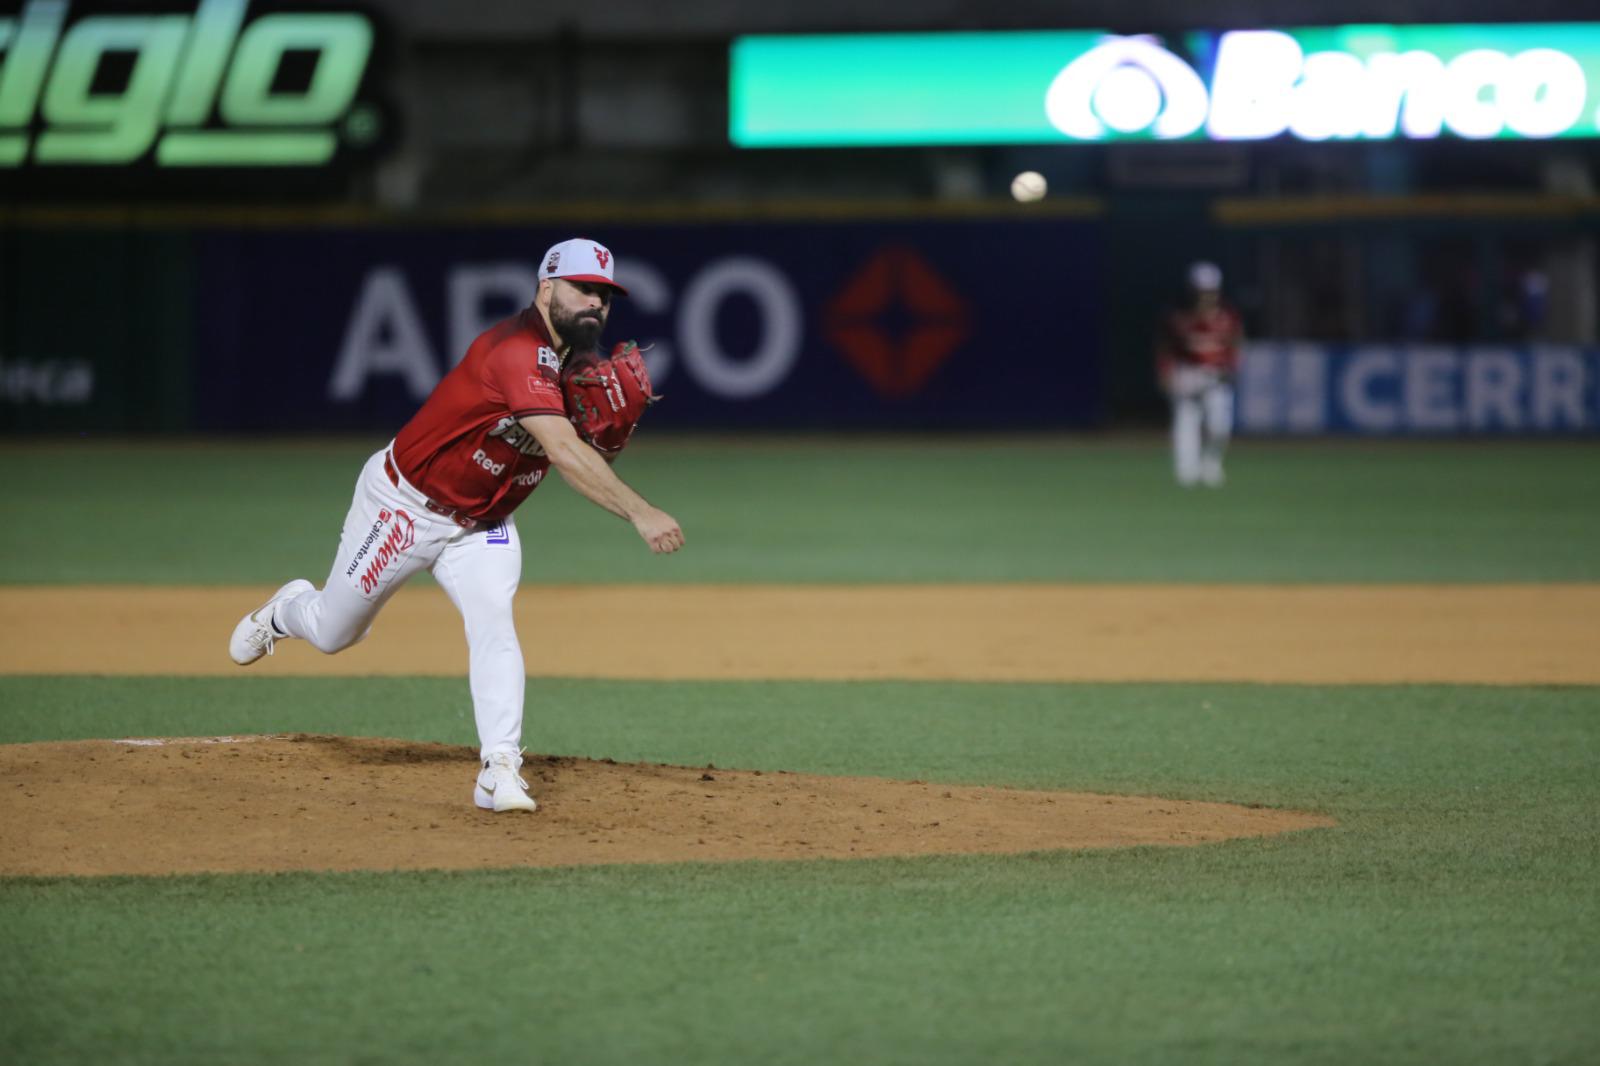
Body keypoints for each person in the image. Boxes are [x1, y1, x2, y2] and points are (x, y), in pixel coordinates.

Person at [227, 238, 684, 813]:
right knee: (333, 632)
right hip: (406, 504)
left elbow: (585, 452)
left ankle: (499, 769)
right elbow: (564, 453)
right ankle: (286, 609)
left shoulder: (583, 366)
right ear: (546, 289)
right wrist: (641, 512)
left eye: (605, 295)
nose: (596, 302)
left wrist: (614, 437)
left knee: (494, 625)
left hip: (484, 522)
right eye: (582, 289)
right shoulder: (517, 350)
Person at [1156, 261, 1243, 488]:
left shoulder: (1227, 316)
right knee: (1185, 423)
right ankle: (1187, 472)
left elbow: (1235, 345)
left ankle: (1211, 465)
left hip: (1216, 375)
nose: (1206, 295)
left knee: (1219, 425)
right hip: (1187, 373)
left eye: (1210, 291)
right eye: (1201, 291)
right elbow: (1166, 348)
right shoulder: (1178, 317)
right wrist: (1166, 373)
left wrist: (1232, 367)